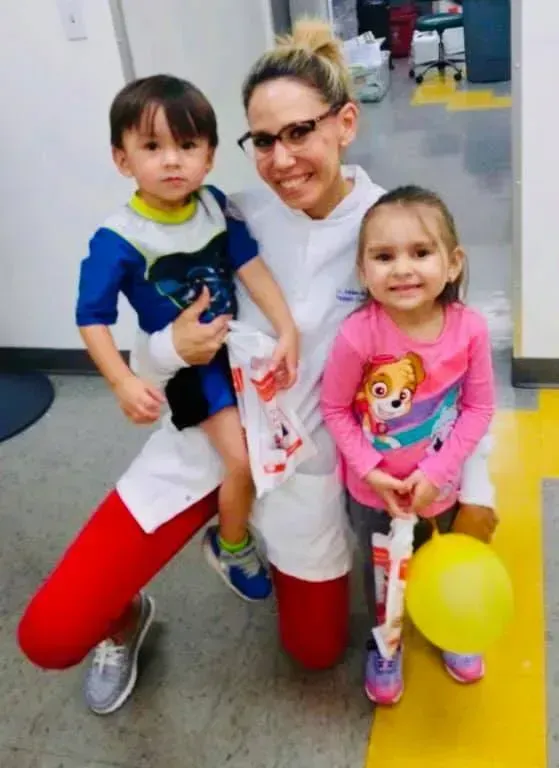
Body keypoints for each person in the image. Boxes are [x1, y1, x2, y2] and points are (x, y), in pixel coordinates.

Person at [17, 19, 496, 717]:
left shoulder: (395, 233)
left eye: (299, 132)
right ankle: (129, 615)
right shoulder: (225, 215)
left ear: (345, 122)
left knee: (313, 653)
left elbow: (456, 368)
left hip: (308, 470)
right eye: (262, 140)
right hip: (202, 439)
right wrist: (166, 350)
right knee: (51, 636)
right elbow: (146, 349)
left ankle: (246, 537)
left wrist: (471, 487)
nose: (281, 159)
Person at [76, 74, 300, 603]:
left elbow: (249, 265)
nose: (172, 160)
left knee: (282, 444)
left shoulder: (214, 205)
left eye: (187, 145)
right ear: (122, 159)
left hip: (236, 349)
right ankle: (231, 542)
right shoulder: (119, 239)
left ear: (210, 156)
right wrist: (121, 382)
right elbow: (90, 316)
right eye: (152, 146)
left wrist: (287, 327)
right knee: (242, 460)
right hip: (192, 371)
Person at [321, 184, 496, 705]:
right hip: (374, 493)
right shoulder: (358, 336)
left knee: (439, 562)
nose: (402, 269)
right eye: (383, 256)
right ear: (363, 271)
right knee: (384, 576)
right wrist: (372, 470)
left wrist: (438, 473)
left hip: (439, 489)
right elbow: (335, 410)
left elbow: (479, 408)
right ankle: (387, 643)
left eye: (420, 253)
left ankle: (448, 626)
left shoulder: (470, 331)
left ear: (454, 262)